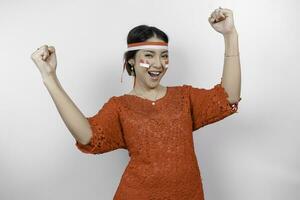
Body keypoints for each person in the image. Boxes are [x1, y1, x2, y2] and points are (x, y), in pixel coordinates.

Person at [31, 7, 241, 200]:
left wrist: (230, 35)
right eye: (149, 56)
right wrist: (50, 78)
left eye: (164, 56)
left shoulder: (184, 97)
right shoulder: (120, 107)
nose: (158, 64)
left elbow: (228, 97)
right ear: (131, 60)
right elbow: (88, 136)